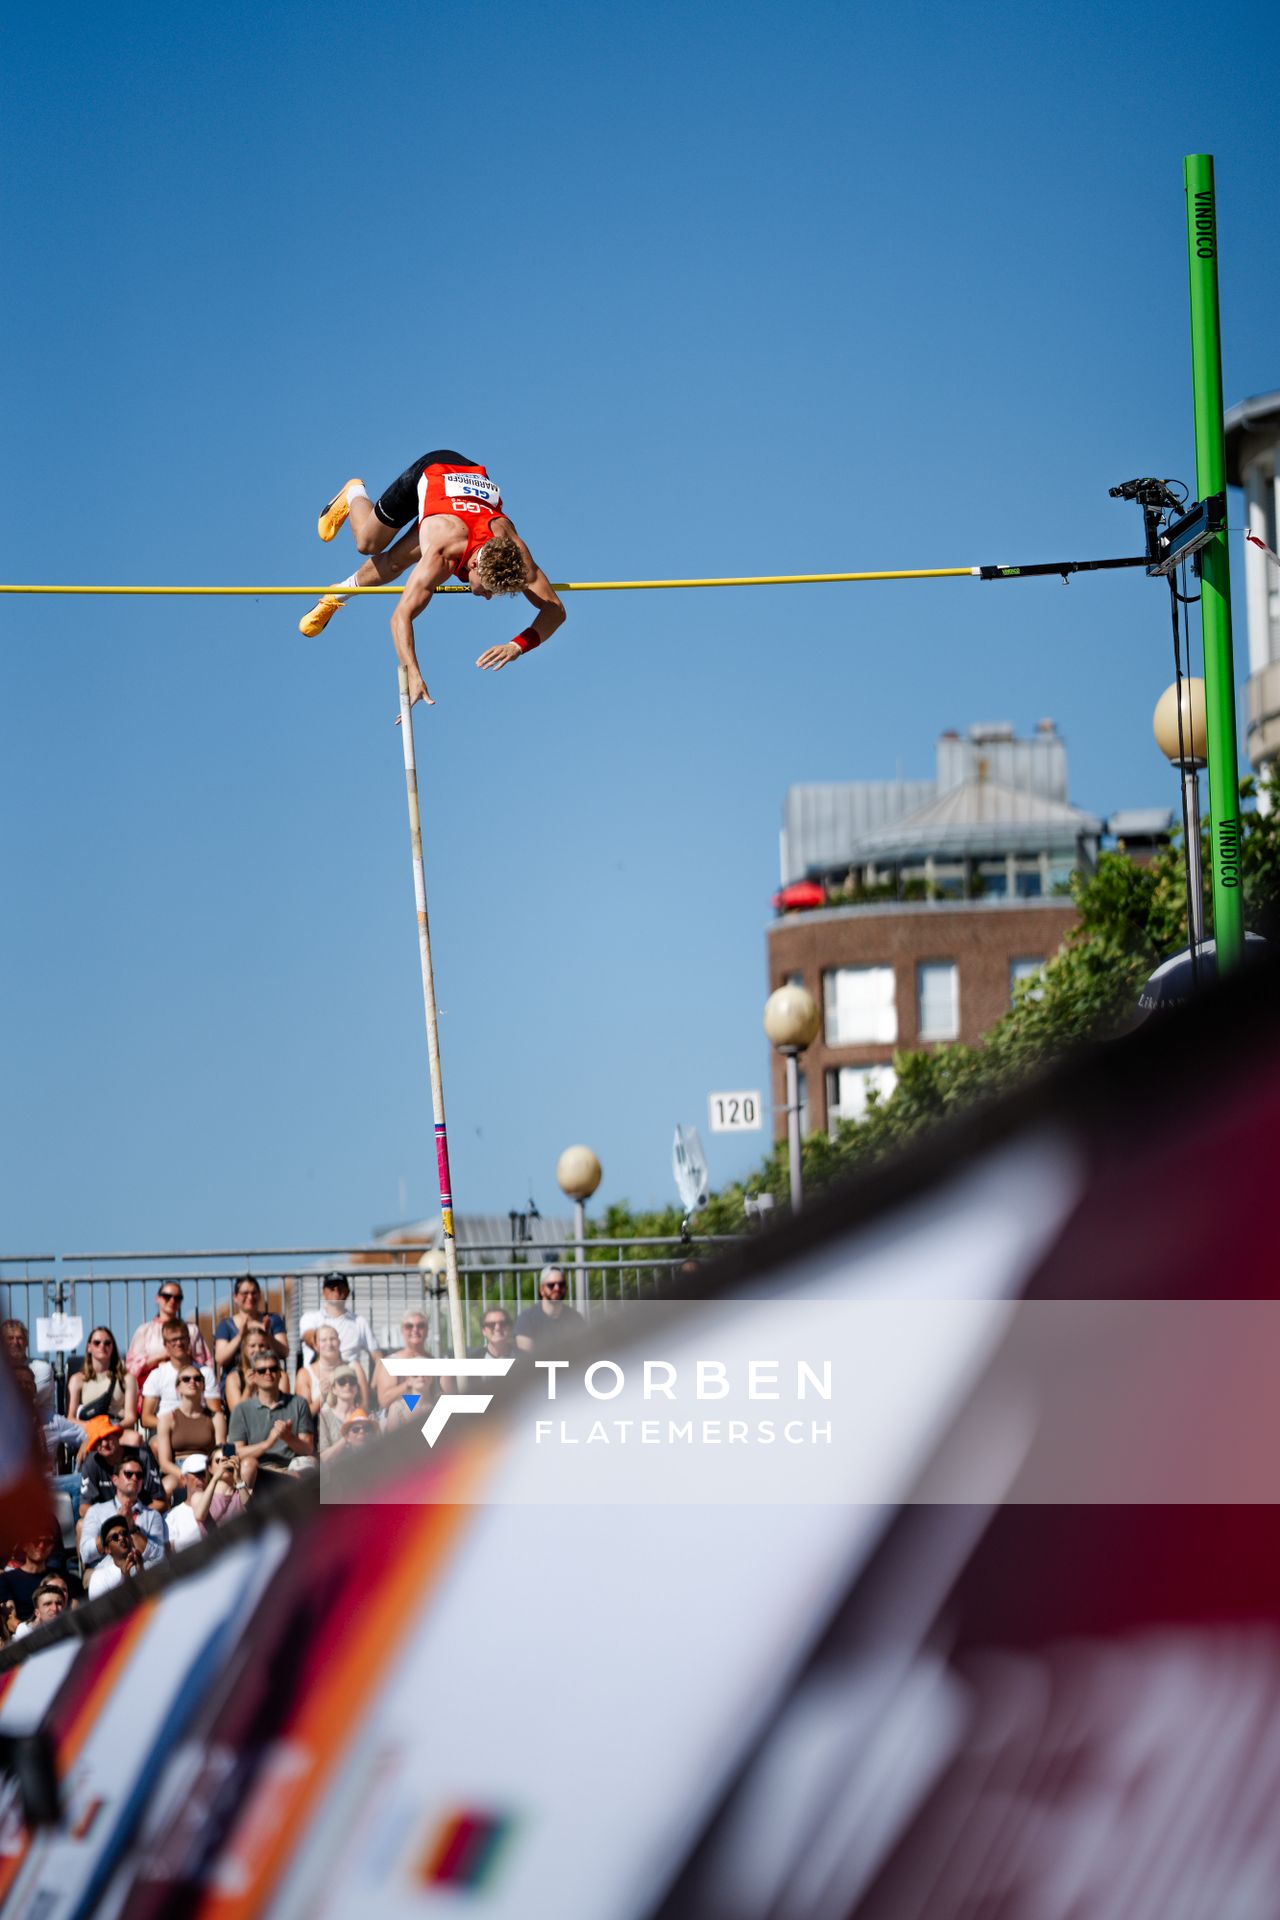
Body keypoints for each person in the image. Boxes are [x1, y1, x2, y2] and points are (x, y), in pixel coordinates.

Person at [299, 456, 565, 712]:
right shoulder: (442, 554)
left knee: (394, 563)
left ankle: (338, 593)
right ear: (473, 565)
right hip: (431, 473)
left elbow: (555, 610)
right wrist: (413, 674)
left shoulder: (516, 555)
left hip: (464, 492)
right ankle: (353, 492)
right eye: (487, 589)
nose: (486, 597)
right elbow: (400, 616)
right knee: (368, 543)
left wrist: (517, 645)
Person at [227, 1354, 314, 1486]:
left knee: (310, 1463)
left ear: (280, 1373)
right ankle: (246, 1506)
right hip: (259, 1470)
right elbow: (236, 1453)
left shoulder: (299, 1403)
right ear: (253, 1376)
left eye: (273, 1369)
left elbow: (307, 1449)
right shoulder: (241, 1409)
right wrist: (268, 1443)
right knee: (247, 1465)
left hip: (291, 1468)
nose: (268, 1373)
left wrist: (288, 1437)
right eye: (262, 1370)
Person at [80, 1458, 167, 1569]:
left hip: (141, 1573)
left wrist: (132, 1529)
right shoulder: (96, 1511)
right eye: (129, 1474)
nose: (135, 1478)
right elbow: (85, 1554)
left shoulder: (153, 1516)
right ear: (115, 1479)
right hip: (105, 1573)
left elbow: (159, 1556)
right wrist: (112, 1529)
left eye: (139, 1475)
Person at [153, 1365, 227, 1495]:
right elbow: (164, 1463)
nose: (192, 1381)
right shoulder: (167, 1419)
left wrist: (208, 1474)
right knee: (167, 1486)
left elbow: (220, 1454)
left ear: (203, 1386)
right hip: (180, 1469)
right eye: (186, 1379)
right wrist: (186, 1475)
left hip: (206, 1469)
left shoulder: (216, 1417)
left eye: (197, 1378)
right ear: (178, 1388)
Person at [77, 1417, 167, 1520]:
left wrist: (134, 1515)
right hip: (107, 1522)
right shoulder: (91, 1462)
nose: (104, 1444)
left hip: (141, 1518)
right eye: (98, 1441)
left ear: (117, 1435)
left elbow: (161, 1503)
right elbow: (83, 1509)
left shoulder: (142, 1457)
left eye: (107, 1437)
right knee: (81, 1525)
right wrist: (114, 1518)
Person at [140, 1322, 222, 1433]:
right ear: (165, 1345)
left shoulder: (205, 1373)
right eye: (173, 1340)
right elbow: (145, 1419)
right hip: (167, 1432)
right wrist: (172, 1426)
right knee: (156, 1445)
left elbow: (215, 1412)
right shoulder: (156, 1375)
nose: (179, 1343)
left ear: (189, 1340)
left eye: (182, 1338)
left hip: (199, 1430)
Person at [213, 1277, 287, 1398]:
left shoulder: (273, 1320)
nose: (250, 1297)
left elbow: (284, 1352)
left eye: (254, 1293)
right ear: (235, 1297)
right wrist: (240, 1336)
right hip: (238, 1384)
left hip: (269, 1377)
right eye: (245, 1293)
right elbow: (220, 1358)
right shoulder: (225, 1325)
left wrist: (268, 1335)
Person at [125, 1285, 211, 1388]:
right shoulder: (144, 1331)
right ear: (158, 1298)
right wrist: (161, 1356)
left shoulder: (192, 1330)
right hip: (150, 1391)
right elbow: (131, 1369)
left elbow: (204, 1362)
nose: (172, 1300)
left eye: (177, 1298)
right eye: (167, 1296)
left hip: (187, 1387)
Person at [299, 1274, 380, 1376]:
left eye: (340, 1286)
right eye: (331, 1287)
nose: (336, 1290)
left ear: (347, 1292)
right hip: (317, 1379)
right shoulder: (310, 1318)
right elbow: (311, 1340)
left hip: (349, 1383)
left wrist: (374, 1386)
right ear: (323, 1292)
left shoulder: (360, 1322)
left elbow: (377, 1357)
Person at [165, 1453, 244, 1551]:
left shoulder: (229, 1501)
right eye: (198, 1474)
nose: (202, 1478)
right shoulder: (171, 1517)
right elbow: (170, 1552)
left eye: (205, 1473)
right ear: (183, 1479)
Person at [67, 1327, 139, 1435]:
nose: (102, 1346)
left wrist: (111, 1429)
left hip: (117, 1430)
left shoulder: (127, 1379)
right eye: (97, 1343)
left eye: (107, 1343)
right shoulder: (77, 1380)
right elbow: (70, 1418)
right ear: (89, 1347)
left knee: (135, 1439)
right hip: (90, 1431)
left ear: (112, 1347)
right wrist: (95, 1428)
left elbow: (131, 1417)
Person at [373, 1310, 437, 1428]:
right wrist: (409, 1383)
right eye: (409, 1326)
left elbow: (447, 1394)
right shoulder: (390, 1362)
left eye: (420, 1325)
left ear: (427, 1330)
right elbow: (384, 1401)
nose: (415, 1330)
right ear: (402, 1331)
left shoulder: (436, 1363)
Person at [515, 1266, 587, 1356]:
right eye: (551, 1285)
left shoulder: (575, 1318)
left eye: (561, 1284)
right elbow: (525, 1358)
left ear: (566, 1289)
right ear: (542, 1290)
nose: (557, 1288)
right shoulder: (527, 1319)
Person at [0, 1532, 60, 1621]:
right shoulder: (6, 1579)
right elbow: (11, 1620)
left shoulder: (61, 1577)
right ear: (24, 1545)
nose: (41, 1546)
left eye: (47, 1542)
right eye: (36, 1541)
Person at [1, 1318, 54, 1415]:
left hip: (42, 1425)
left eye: (19, 1338)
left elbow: (28, 1401)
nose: (15, 1342)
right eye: (10, 1338)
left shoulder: (42, 1368)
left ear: (26, 1342)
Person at [295, 1322, 349, 1417]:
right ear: (315, 1346)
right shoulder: (305, 1374)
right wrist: (322, 1397)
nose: (329, 1344)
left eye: (332, 1339)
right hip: (317, 1428)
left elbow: (364, 1406)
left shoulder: (352, 1368)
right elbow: (304, 1416)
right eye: (323, 1340)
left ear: (339, 1342)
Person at [86, 1513, 146, 1598]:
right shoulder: (99, 1577)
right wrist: (125, 1579)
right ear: (107, 1549)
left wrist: (141, 1573)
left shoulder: (145, 1563)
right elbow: (103, 1610)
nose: (121, 1537)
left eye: (125, 1533)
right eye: (115, 1537)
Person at [317, 1365, 369, 1457]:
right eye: (342, 1382)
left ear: (357, 1388)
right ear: (333, 1389)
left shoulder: (366, 1415)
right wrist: (346, 1439)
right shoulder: (324, 1417)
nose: (348, 1385)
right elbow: (323, 1458)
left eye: (352, 1382)